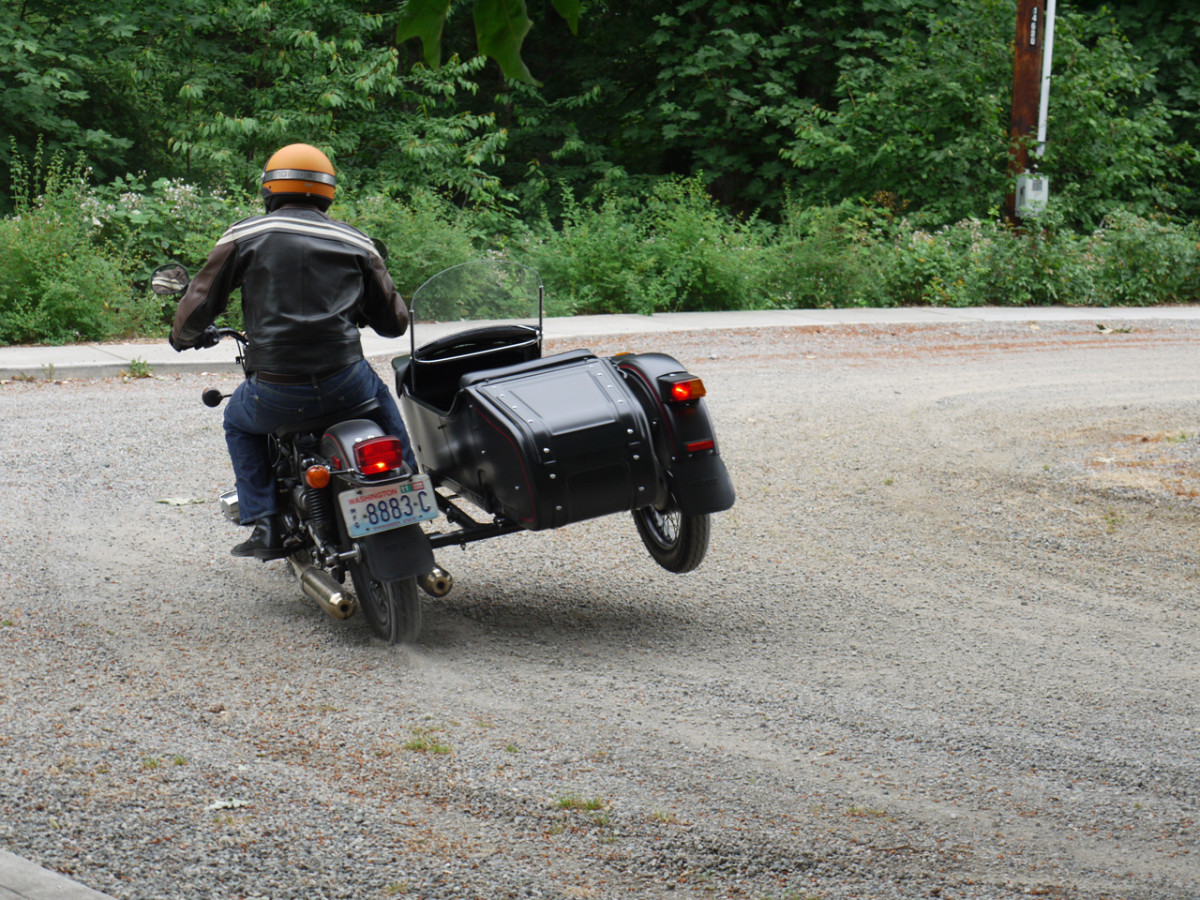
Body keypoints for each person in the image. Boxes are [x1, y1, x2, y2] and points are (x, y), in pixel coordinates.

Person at [169, 143, 416, 560]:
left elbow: (200, 299)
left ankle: (263, 523)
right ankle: (409, 487)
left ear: (270, 189)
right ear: (326, 192)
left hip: (276, 387)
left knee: (237, 421)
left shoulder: (244, 235)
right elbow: (394, 324)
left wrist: (181, 336)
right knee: (378, 396)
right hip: (346, 382)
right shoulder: (356, 241)